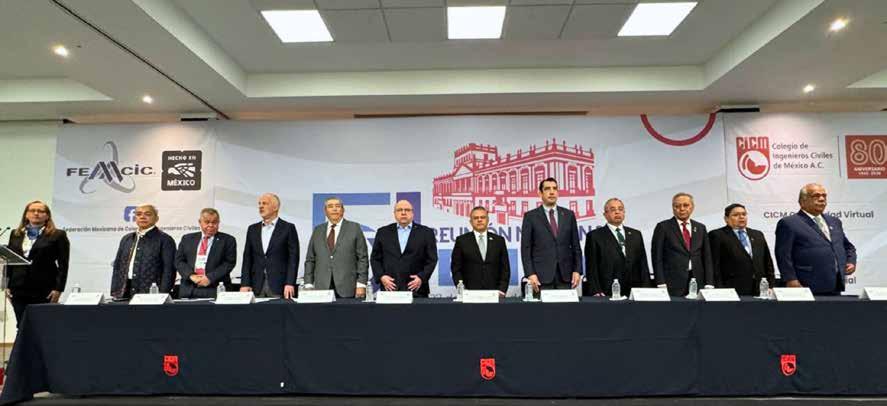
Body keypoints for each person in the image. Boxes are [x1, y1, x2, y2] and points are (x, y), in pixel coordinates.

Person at [775, 183, 856, 294]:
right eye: (816, 196)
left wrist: (851, 262)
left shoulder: (835, 221)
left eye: (824, 196)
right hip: (805, 286)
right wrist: (790, 279)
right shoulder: (789, 223)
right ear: (802, 201)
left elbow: (848, 247)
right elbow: (783, 255)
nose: (822, 199)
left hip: (834, 285)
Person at [5, 201, 69, 328]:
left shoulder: (58, 235)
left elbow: (63, 265)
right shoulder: (15, 234)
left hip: (44, 288)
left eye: (40, 211)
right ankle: (23, 342)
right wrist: (6, 285)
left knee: (42, 325)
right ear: (26, 214)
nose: (36, 213)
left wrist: (58, 289)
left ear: (47, 215)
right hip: (18, 288)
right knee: (22, 325)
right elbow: (10, 261)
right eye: (32, 210)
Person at [520, 177, 583, 294]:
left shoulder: (568, 215)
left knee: (565, 306)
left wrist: (577, 270)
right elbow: (526, 249)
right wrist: (530, 274)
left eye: (555, 188)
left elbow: (576, 246)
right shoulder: (531, 216)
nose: (552, 192)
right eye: (547, 189)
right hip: (540, 277)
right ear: (540, 193)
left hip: (565, 276)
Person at [584, 198, 651, 297]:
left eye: (620, 209)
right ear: (605, 214)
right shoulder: (595, 236)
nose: (617, 212)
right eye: (613, 209)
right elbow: (592, 267)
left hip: (635, 291)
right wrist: (596, 290)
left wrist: (646, 288)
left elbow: (643, 264)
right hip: (607, 291)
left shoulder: (636, 234)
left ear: (624, 213)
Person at [303, 197, 369, 298]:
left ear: (343, 210)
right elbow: (310, 259)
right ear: (325, 211)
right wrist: (308, 283)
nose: (334, 209)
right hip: (322, 287)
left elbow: (362, 258)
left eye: (337, 206)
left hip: (348, 287)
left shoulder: (354, 228)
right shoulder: (318, 230)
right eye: (330, 206)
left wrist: (361, 284)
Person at [371, 200, 437, 298]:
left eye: (407, 210)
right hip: (390, 289)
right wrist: (382, 276)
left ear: (413, 213)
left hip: (416, 289)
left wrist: (421, 278)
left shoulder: (426, 233)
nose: (403, 213)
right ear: (394, 214)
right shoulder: (383, 232)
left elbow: (432, 259)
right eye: (399, 210)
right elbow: (375, 258)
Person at [651, 192, 714, 296]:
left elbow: (707, 257)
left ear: (692, 207)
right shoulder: (663, 227)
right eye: (677, 206)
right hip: (672, 283)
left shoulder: (700, 228)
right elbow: (657, 257)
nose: (682, 209)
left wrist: (709, 282)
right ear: (673, 208)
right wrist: (660, 282)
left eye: (686, 205)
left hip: (698, 281)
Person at [240, 193, 299, 298]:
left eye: (265, 203)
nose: (261, 206)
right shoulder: (252, 229)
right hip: (256, 285)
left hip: (280, 286)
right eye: (259, 204)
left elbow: (293, 259)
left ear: (276, 207)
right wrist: (245, 283)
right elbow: (247, 258)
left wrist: (290, 283)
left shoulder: (288, 228)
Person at [110, 204, 176, 299]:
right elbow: (117, 266)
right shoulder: (127, 239)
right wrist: (115, 291)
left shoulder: (165, 240)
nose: (142, 217)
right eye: (138, 214)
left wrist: (162, 294)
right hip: (124, 292)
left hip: (151, 293)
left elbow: (169, 270)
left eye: (147, 214)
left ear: (156, 218)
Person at [709, 203, 775, 296]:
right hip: (731, 289)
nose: (741, 217)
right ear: (726, 219)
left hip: (759, 289)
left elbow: (767, 262)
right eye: (736, 215)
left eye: (744, 214)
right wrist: (719, 289)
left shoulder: (757, 234)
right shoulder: (717, 235)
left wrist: (771, 285)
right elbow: (714, 265)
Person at [174, 208, 236, 299]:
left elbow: (229, 263)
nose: (211, 225)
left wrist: (209, 278)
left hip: (216, 289)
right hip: (189, 290)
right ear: (200, 222)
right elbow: (179, 261)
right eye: (207, 222)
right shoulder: (187, 239)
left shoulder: (228, 240)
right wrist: (191, 275)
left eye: (214, 222)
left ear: (218, 223)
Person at [451, 206, 510, 296]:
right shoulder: (462, 241)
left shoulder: (499, 241)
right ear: (471, 222)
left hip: (494, 294)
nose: (479, 220)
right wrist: (462, 290)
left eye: (482, 217)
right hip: (469, 293)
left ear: (487, 220)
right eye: (476, 218)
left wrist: (502, 290)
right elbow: (456, 269)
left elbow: (505, 268)